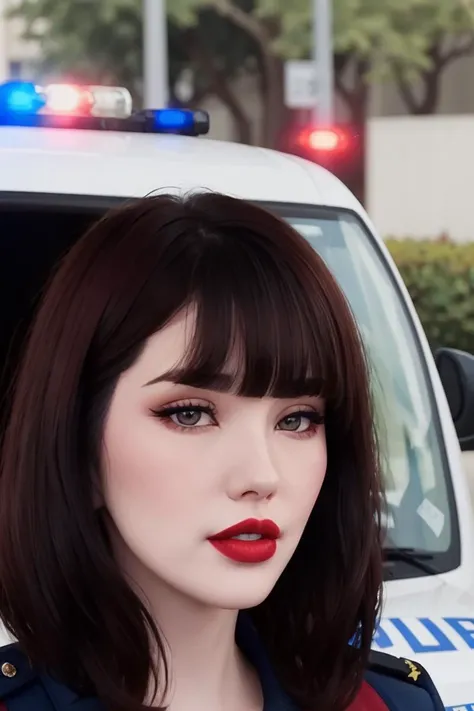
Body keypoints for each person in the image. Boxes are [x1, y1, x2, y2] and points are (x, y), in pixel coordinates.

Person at [0, 193, 444, 711]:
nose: (261, 474)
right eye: (190, 413)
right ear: (77, 443)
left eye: (297, 419)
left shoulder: (386, 704)